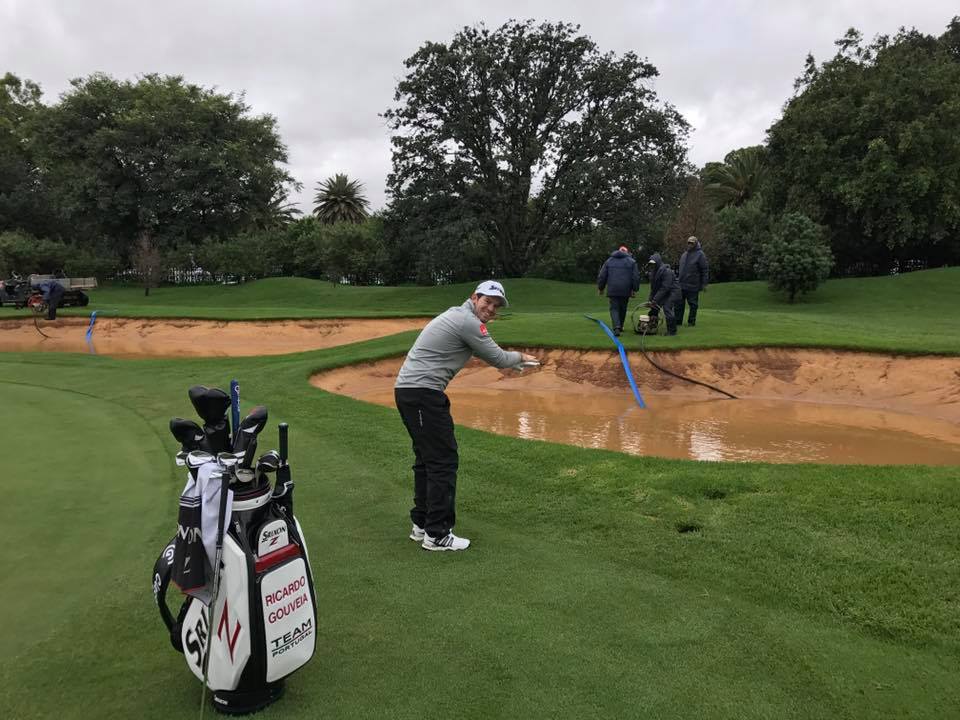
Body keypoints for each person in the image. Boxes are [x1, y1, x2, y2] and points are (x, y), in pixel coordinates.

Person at [394, 280, 538, 552]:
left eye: (496, 305)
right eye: (487, 301)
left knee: (427, 460)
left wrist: (513, 363)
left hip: (411, 391)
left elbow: (490, 355)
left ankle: (423, 524)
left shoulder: (459, 316)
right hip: (423, 393)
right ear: (474, 297)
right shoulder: (467, 321)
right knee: (443, 461)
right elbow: (497, 357)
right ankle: (437, 534)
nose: (491, 308)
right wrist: (522, 357)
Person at [596, 245, 640, 336]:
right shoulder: (632, 262)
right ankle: (620, 326)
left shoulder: (609, 261)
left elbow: (602, 276)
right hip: (626, 289)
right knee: (623, 308)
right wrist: (634, 289)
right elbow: (635, 277)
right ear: (627, 253)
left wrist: (601, 288)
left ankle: (616, 327)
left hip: (613, 289)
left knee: (614, 308)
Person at [675, 236, 709, 327]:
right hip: (681, 284)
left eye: (692, 243)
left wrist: (704, 284)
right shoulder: (684, 254)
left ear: (695, 243)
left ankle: (691, 322)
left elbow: (704, 270)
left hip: (693, 285)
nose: (690, 244)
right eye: (689, 242)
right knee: (678, 304)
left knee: (693, 305)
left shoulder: (700, 254)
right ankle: (678, 321)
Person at [647, 253, 681, 336]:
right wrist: (650, 300)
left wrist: (655, 300)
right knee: (654, 308)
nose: (652, 265)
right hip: (665, 292)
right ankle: (652, 326)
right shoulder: (653, 273)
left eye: (653, 263)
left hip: (673, 292)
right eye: (651, 264)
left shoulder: (667, 271)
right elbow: (653, 289)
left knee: (667, 308)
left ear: (658, 262)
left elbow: (665, 287)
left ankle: (672, 331)